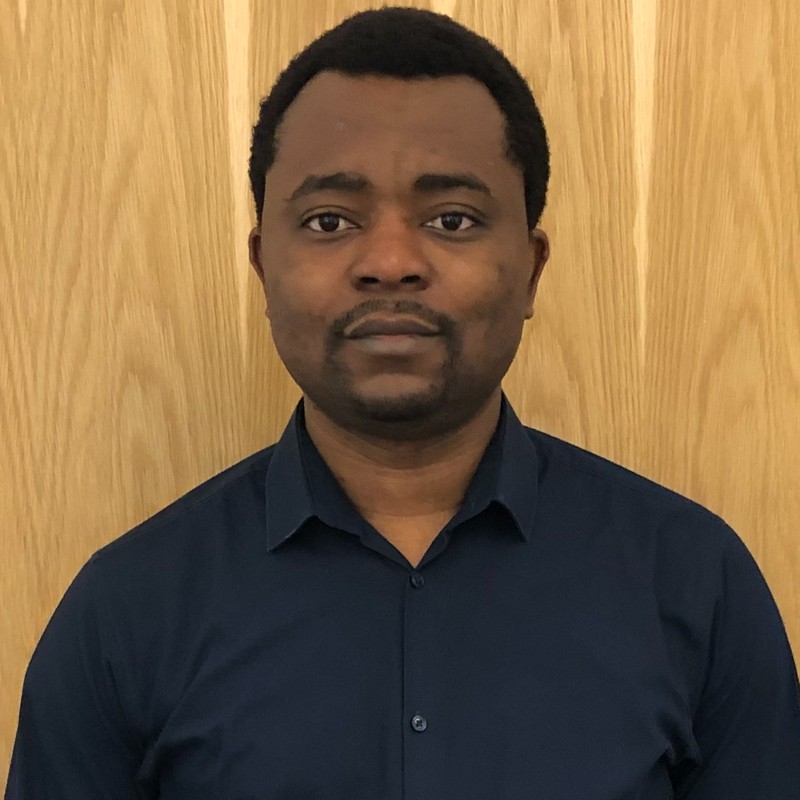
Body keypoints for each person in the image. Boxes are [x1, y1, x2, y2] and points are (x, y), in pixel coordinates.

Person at [6, 6, 800, 798]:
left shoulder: (697, 586)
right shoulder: (125, 612)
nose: (390, 262)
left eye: (451, 218)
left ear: (531, 268)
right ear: (262, 266)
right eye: (329, 220)